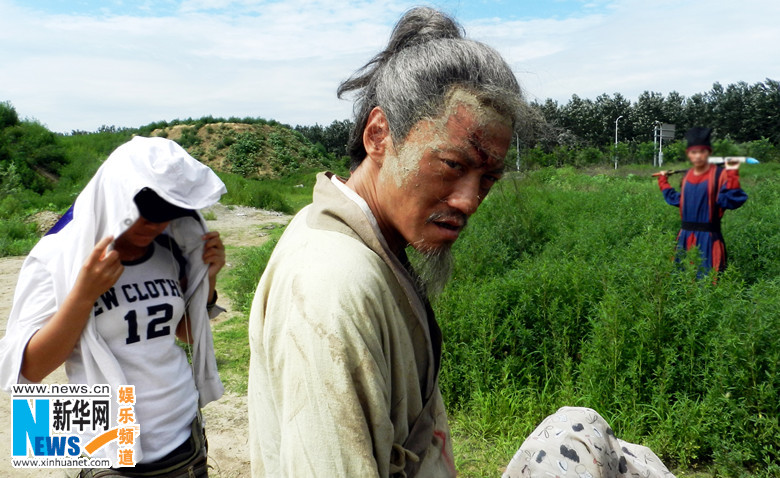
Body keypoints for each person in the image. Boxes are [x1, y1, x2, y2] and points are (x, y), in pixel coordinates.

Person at [248, 7, 675, 478]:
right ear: (379, 135)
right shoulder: (331, 284)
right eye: (452, 165)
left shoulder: (368, 245)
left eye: (488, 178)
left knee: (581, 428)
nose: (469, 201)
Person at [0, 136, 226, 477]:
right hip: (106, 447)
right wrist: (83, 295)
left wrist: (208, 279)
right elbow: (27, 369)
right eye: (146, 215)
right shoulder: (59, 257)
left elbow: (186, 334)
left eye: (167, 216)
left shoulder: (170, 248)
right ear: (117, 197)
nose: (154, 226)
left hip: (183, 434)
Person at [655, 127, 748, 273]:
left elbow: (732, 200)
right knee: (681, 282)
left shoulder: (720, 175)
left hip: (708, 240)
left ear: (709, 153)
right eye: (694, 152)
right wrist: (663, 181)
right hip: (684, 238)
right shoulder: (686, 177)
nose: (698, 156)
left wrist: (732, 175)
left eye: (702, 152)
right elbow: (678, 200)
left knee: (708, 284)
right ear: (689, 155)